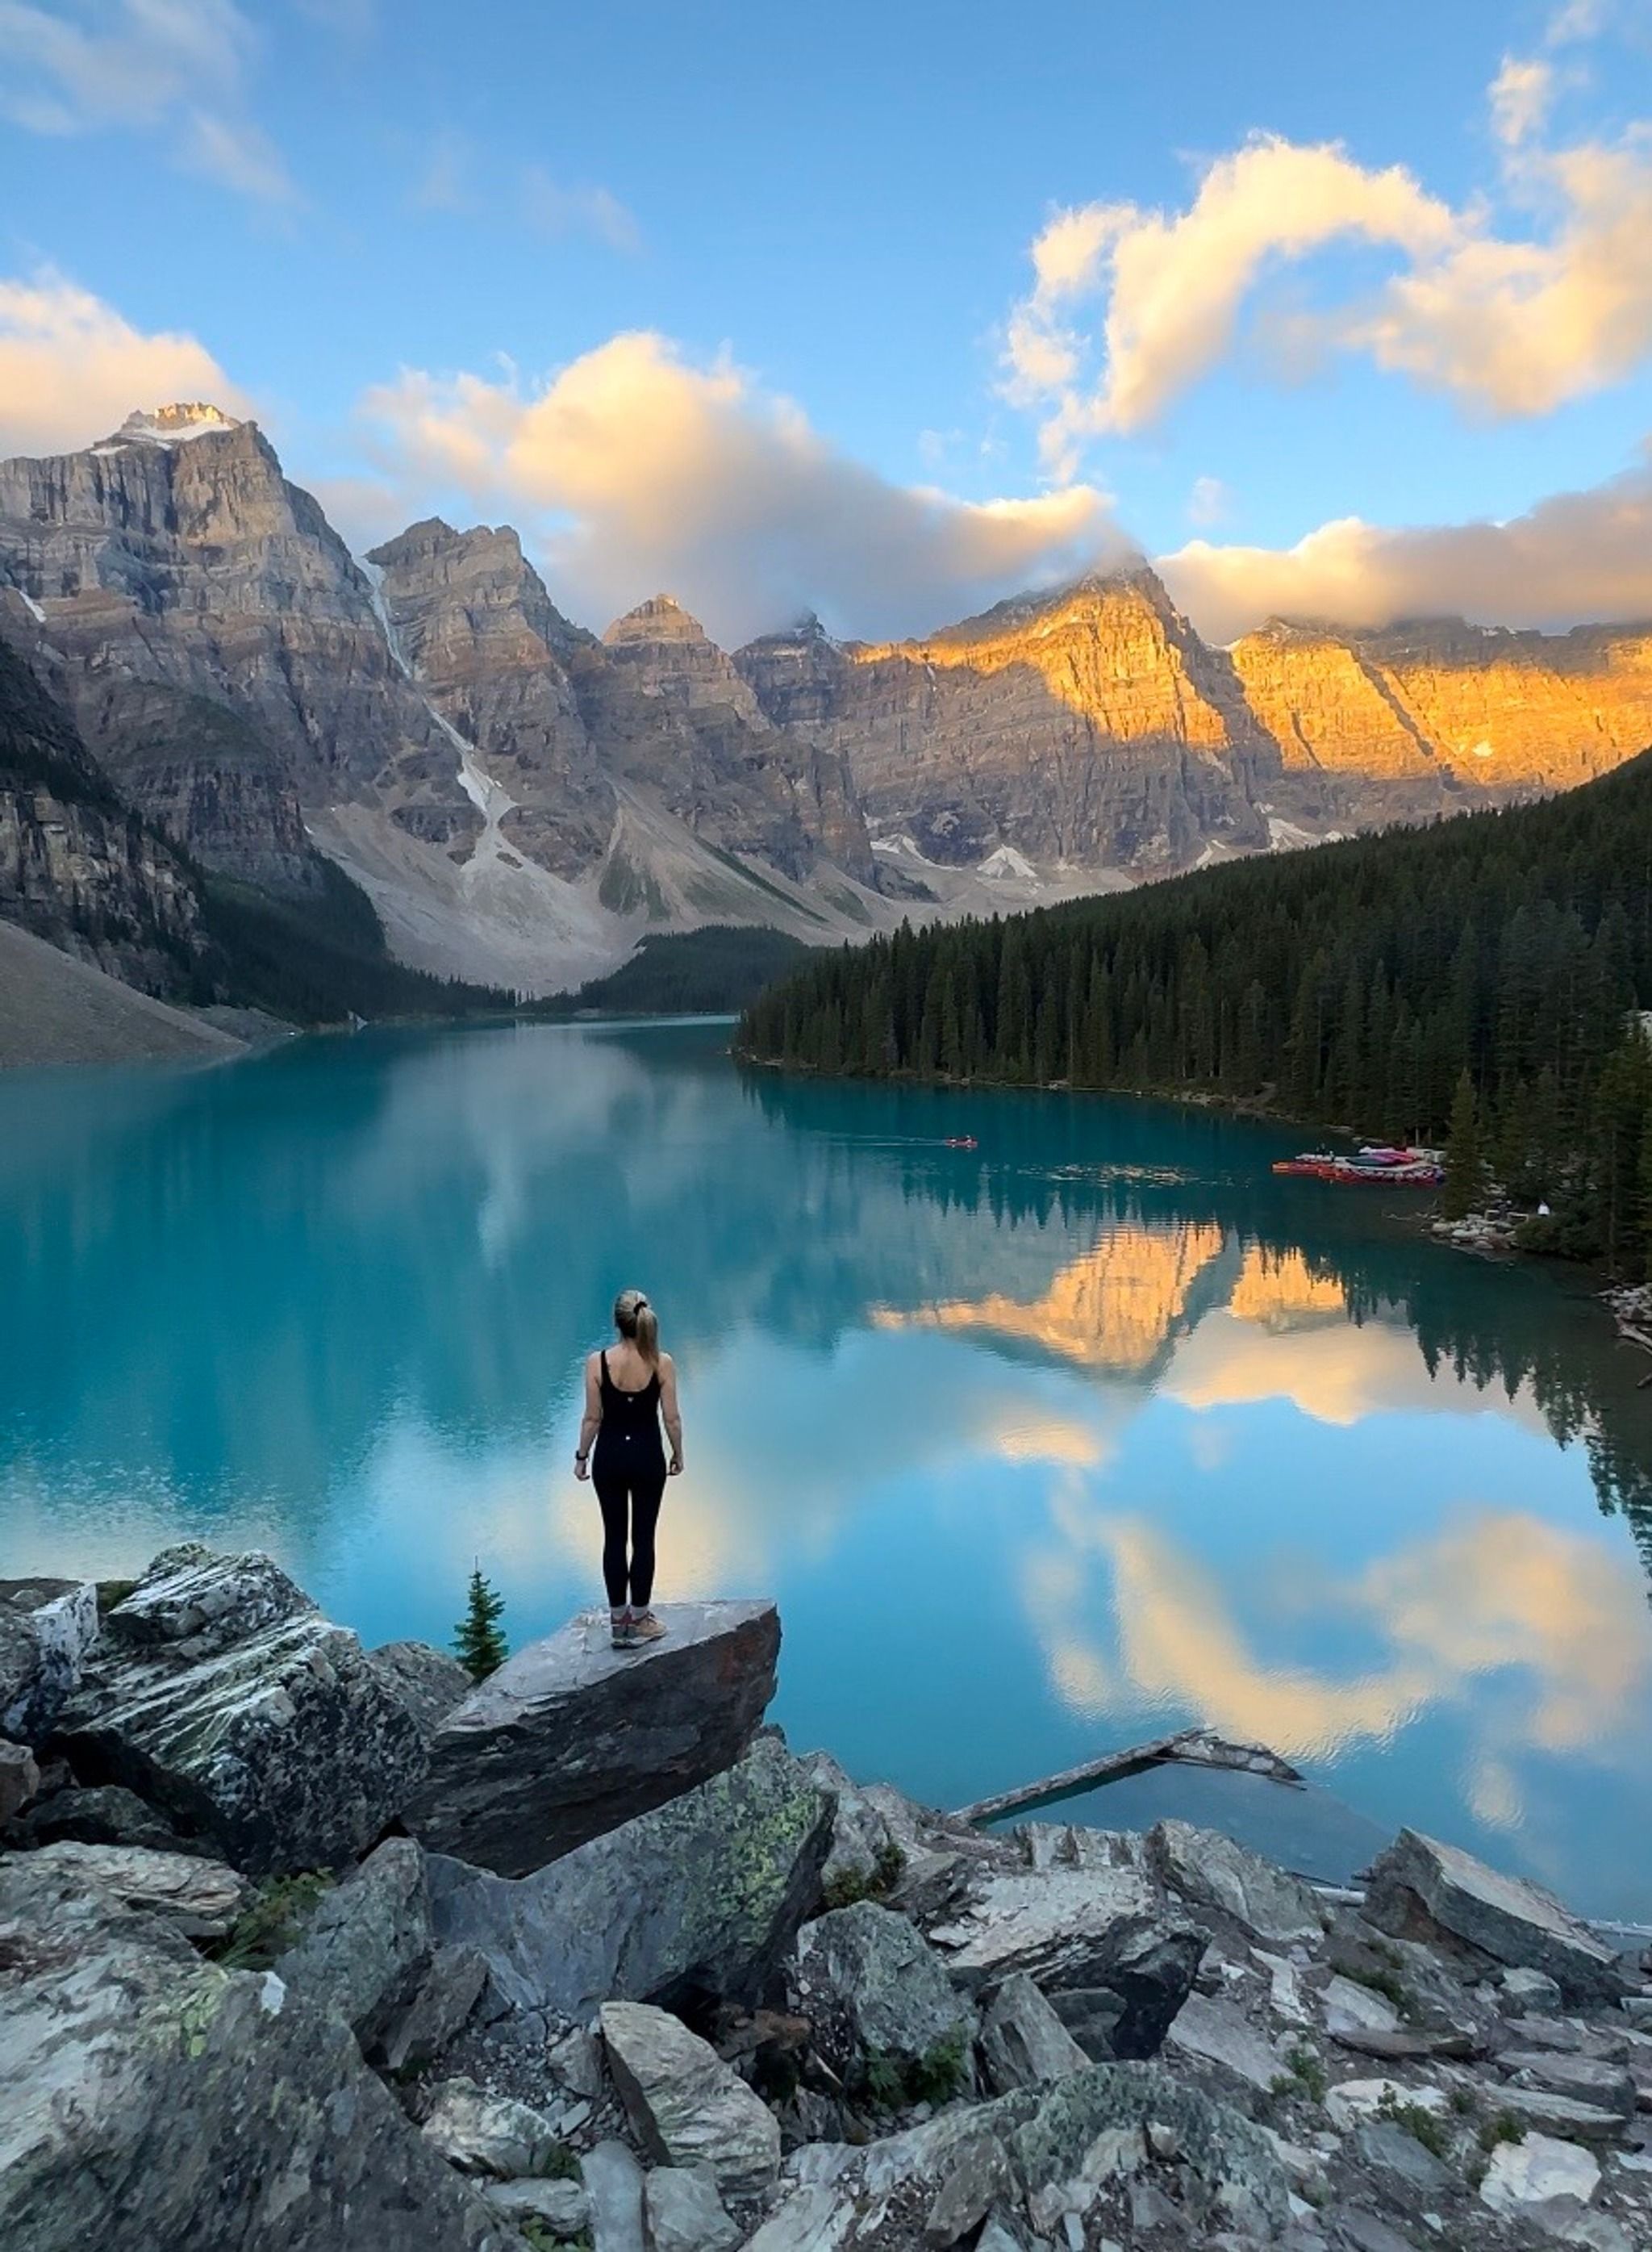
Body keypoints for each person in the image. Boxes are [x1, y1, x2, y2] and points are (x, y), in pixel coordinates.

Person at [574, 1287, 683, 1649]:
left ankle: (618, 1623)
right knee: (643, 1539)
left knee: (614, 1538)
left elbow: (592, 1418)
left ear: (617, 1322)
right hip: (648, 1459)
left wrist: (581, 1458)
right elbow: (671, 1419)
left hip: (609, 1460)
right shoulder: (662, 1362)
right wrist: (677, 1454)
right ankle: (640, 1620)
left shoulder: (597, 1362)